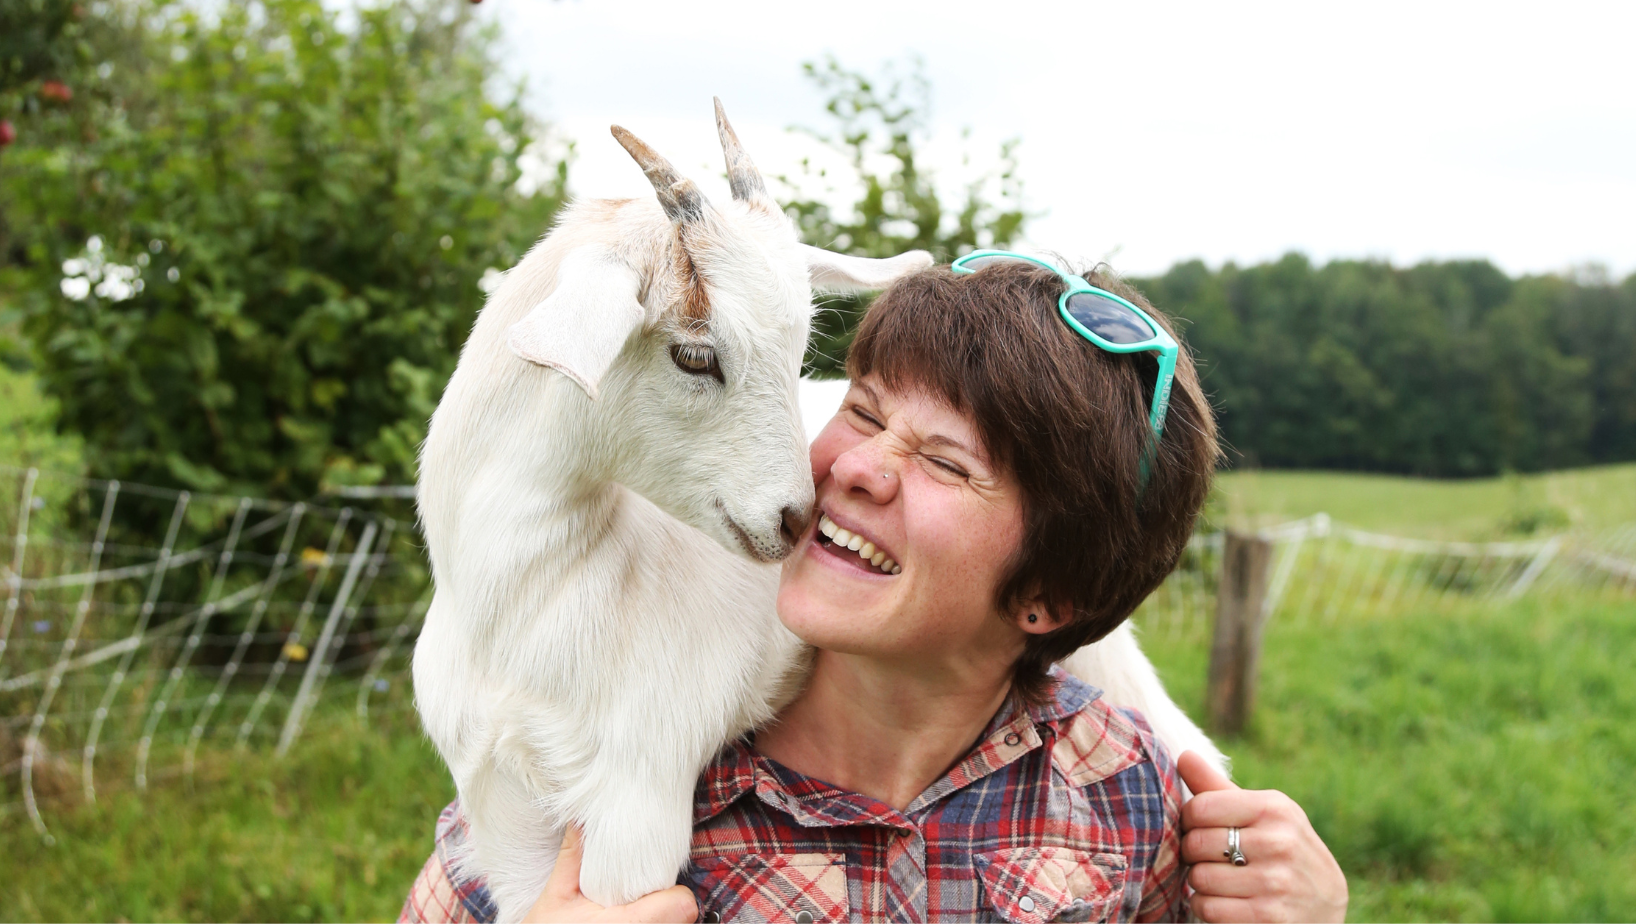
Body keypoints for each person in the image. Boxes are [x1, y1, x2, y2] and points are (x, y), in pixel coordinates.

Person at [400, 255, 1348, 924]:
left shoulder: (1129, 801)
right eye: (859, 409)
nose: (856, 466)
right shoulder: (577, 794)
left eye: (944, 461)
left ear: (1048, 597)